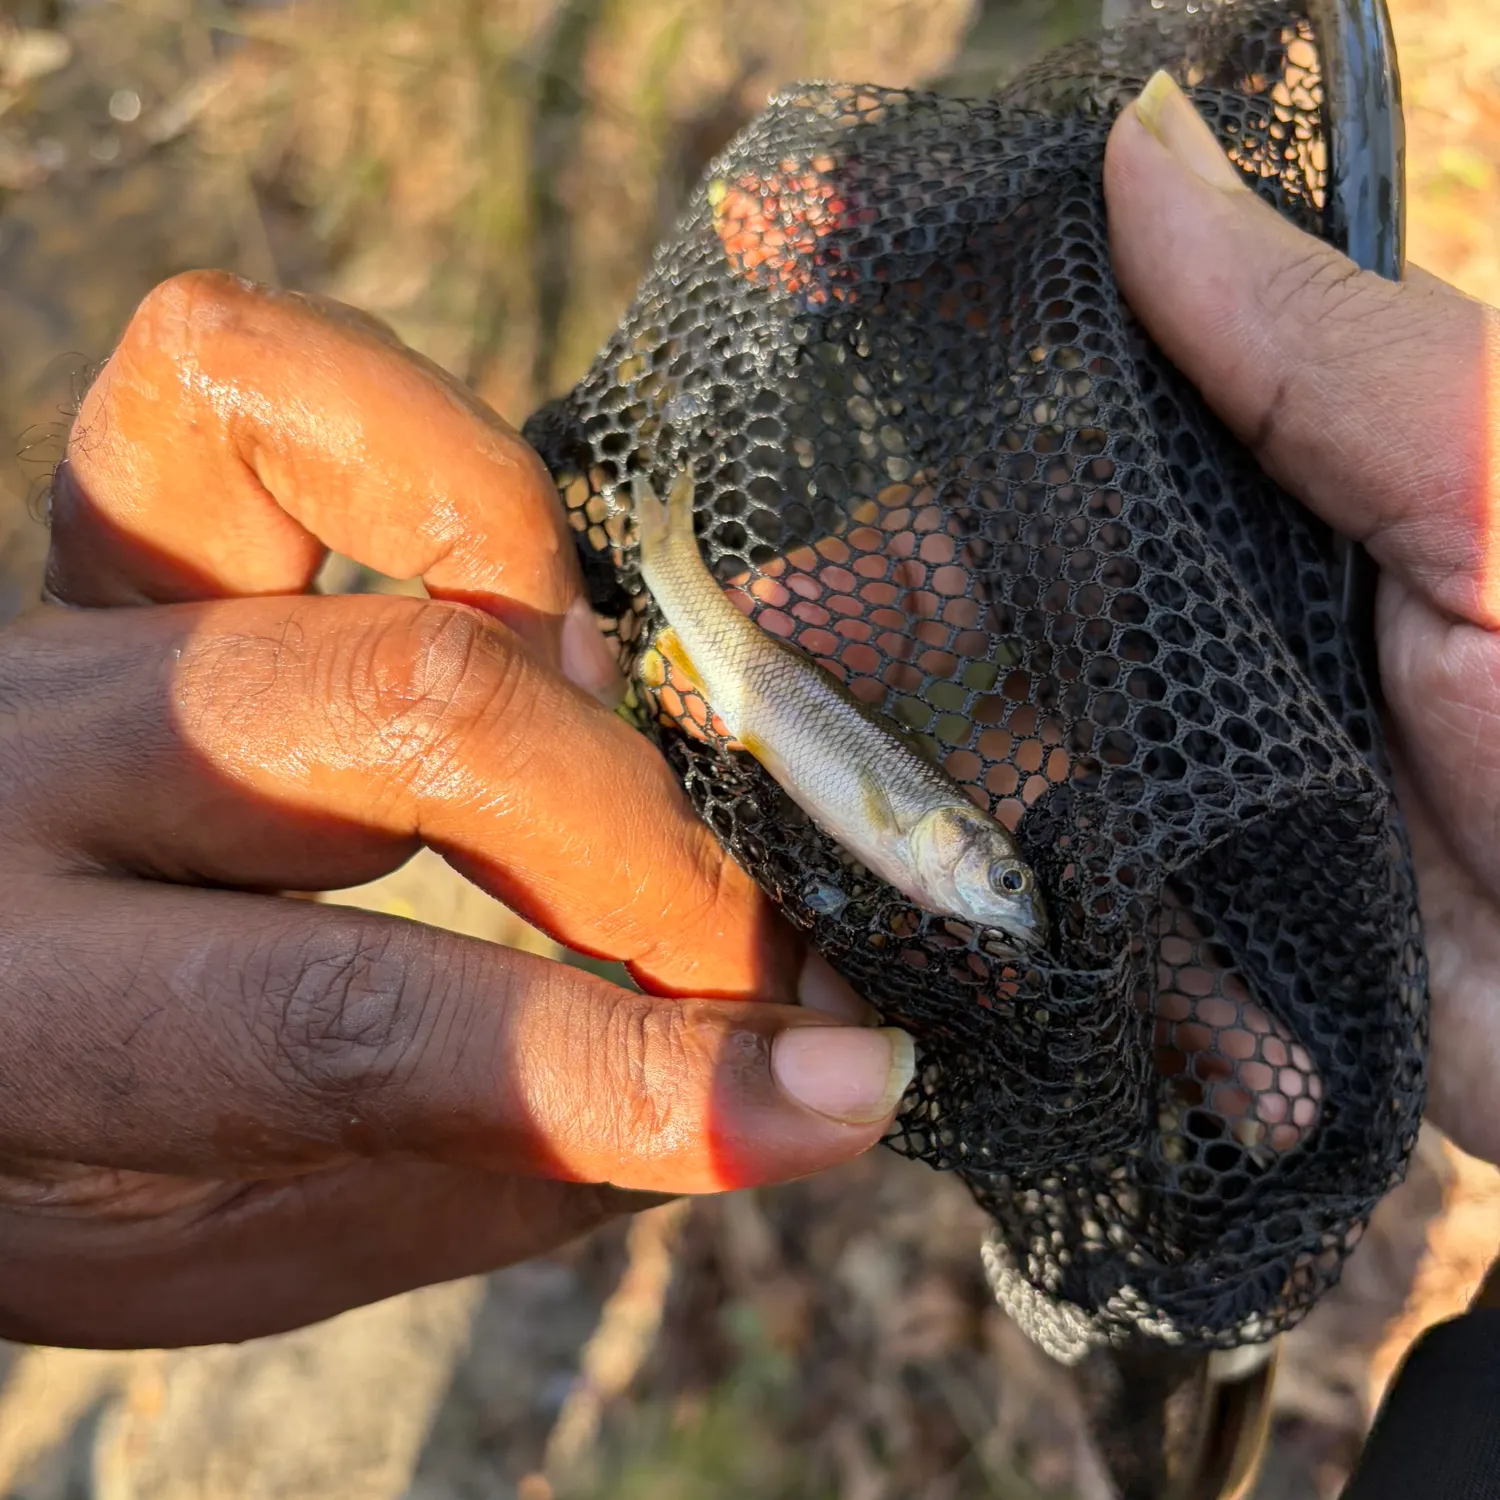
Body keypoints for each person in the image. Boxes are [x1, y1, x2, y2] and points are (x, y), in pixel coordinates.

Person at [0, 67, 1494, 1472]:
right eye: (986, 872)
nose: (986, 884)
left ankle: (677, 573)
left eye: (987, 879)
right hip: (759, 691)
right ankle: (675, 565)